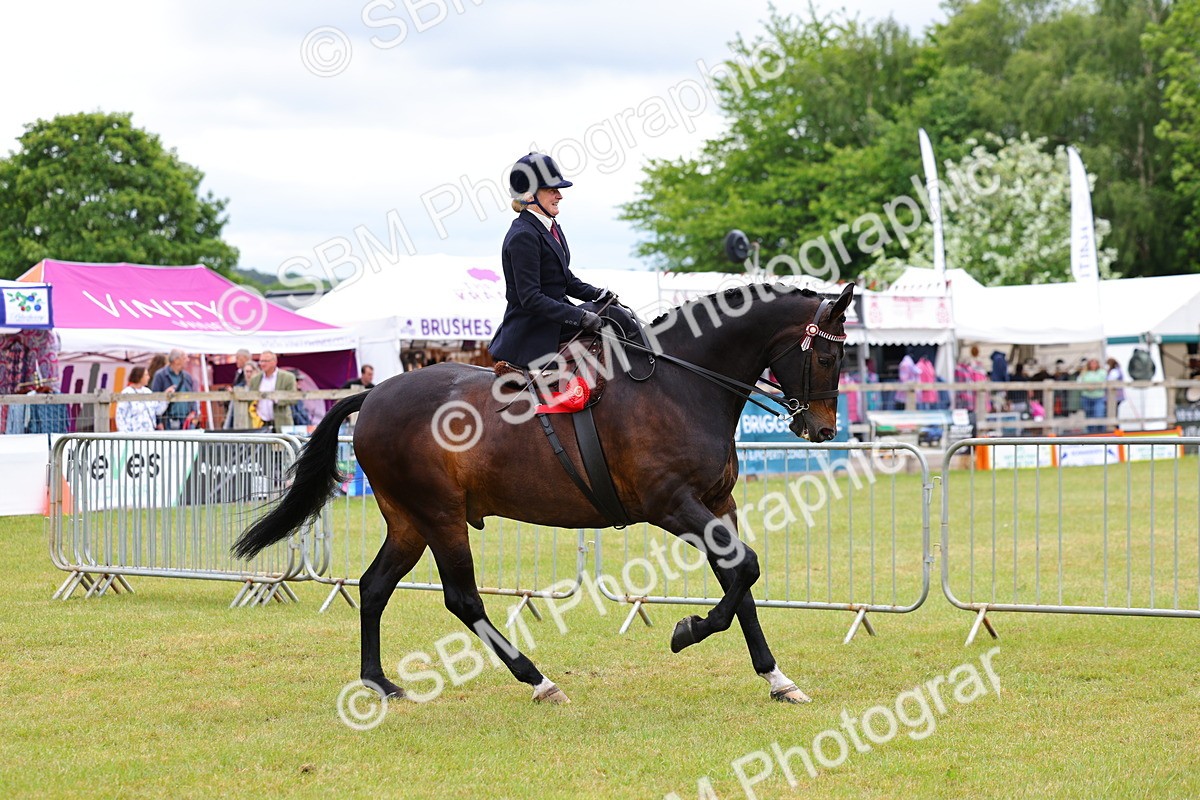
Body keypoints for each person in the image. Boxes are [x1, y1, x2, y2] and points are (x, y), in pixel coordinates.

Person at [488, 152, 637, 368]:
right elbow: (530, 298)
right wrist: (579, 317)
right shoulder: (523, 235)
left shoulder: (550, 226)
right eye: (552, 190)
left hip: (553, 319)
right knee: (612, 319)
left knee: (614, 313)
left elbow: (564, 279)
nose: (559, 196)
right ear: (530, 195)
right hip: (534, 330)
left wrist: (597, 294)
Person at [248, 350, 297, 432]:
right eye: (261, 361)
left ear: (274, 362)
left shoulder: (288, 377)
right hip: (260, 423)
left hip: (281, 422)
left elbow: (294, 399)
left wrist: (277, 399)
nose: (262, 364)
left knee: (283, 444)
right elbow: (250, 400)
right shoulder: (255, 379)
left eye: (265, 361)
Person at [149, 349, 197, 430]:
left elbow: (193, 396)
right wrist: (159, 422)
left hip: (186, 420)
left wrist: (193, 412)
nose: (188, 360)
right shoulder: (160, 375)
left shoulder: (187, 376)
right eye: (185, 358)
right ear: (176, 360)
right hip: (168, 420)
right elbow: (154, 400)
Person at [116, 366, 166, 432]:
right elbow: (120, 416)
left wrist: (166, 398)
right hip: (132, 434)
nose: (149, 377)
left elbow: (158, 410)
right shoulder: (126, 393)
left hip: (149, 433)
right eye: (146, 375)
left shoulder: (148, 391)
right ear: (139, 376)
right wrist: (124, 434)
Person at [1077, 358, 1108, 433]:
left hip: (1099, 397)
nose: (1093, 365)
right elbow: (1079, 382)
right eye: (1091, 363)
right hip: (1086, 397)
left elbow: (1104, 381)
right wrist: (1087, 387)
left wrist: (1094, 387)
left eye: (1095, 363)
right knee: (1089, 415)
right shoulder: (1084, 372)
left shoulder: (1102, 372)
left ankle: (1101, 432)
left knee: (1099, 414)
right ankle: (1091, 432)